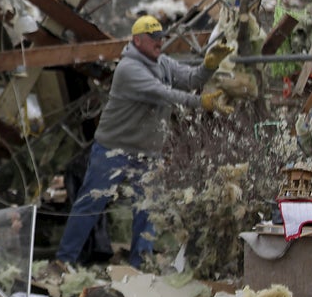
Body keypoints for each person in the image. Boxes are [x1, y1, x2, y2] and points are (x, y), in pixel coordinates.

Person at [54, 14, 233, 268]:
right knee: (91, 204)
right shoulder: (128, 69)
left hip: (147, 152)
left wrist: (209, 66)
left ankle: (141, 264)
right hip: (113, 148)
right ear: (138, 41)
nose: (159, 42)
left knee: (148, 209)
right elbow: (162, 93)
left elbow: (191, 78)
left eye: (161, 37)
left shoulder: (163, 63)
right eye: (154, 38)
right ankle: (64, 259)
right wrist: (200, 103)